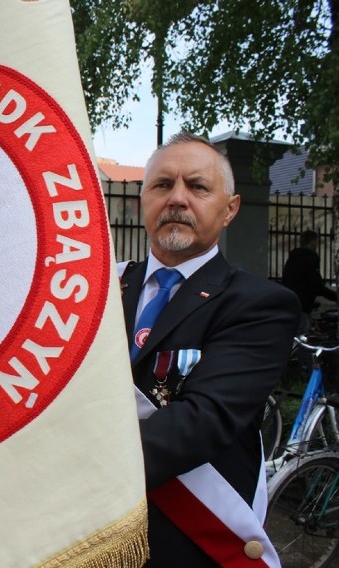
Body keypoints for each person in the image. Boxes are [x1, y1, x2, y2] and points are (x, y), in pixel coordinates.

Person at [120, 132, 299, 566]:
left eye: (197, 187)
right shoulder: (99, 291)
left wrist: (70, 467)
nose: (177, 199)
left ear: (230, 209)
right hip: (86, 537)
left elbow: (205, 420)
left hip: (182, 541)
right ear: (143, 199)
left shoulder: (258, 304)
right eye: (162, 185)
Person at [282, 229, 337, 334]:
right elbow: (316, 284)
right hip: (303, 304)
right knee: (303, 334)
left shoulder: (293, 257)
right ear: (313, 242)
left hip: (291, 302)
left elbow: (286, 279)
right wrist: (334, 296)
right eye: (317, 242)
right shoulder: (310, 257)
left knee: (294, 336)